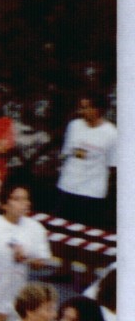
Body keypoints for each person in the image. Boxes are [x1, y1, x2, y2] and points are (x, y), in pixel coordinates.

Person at [54, 95, 117, 230]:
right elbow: (66, 153)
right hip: (67, 187)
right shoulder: (74, 126)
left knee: (84, 234)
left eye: (85, 108)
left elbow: (113, 166)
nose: (81, 111)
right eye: (81, 107)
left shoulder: (111, 133)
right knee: (58, 229)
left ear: (98, 109)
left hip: (91, 193)